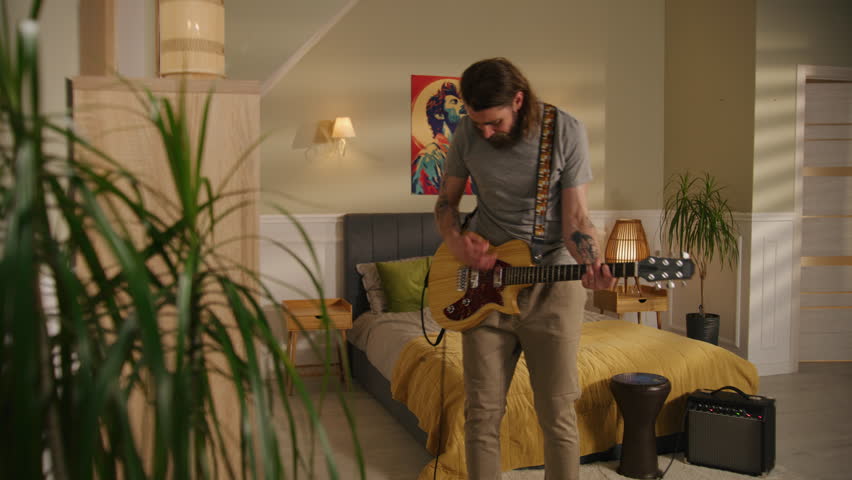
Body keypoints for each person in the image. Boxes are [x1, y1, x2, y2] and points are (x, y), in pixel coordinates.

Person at [434, 57, 616, 480]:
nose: (485, 132)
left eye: (494, 122)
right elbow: (446, 202)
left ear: (518, 100)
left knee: (557, 411)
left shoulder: (565, 131)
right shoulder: (467, 131)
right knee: (481, 413)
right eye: (477, 123)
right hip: (482, 286)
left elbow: (576, 221)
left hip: (552, 285)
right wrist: (457, 242)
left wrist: (592, 262)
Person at [412, 81, 467, 194]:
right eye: (454, 102)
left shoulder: (465, 154)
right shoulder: (429, 158)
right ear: (440, 114)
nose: (463, 104)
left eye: (461, 101)